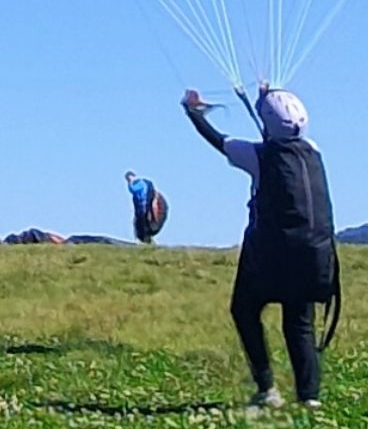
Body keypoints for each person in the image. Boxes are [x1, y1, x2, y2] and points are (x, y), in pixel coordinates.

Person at [184, 86, 337, 411]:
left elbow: (218, 139)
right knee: (299, 322)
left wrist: (192, 112)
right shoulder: (313, 150)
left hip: (271, 254)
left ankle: (267, 388)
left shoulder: (255, 156)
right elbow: (278, 135)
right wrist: (268, 97)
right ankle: (309, 397)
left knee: (244, 309)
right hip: (312, 254)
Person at [127, 170, 168, 244]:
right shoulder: (137, 186)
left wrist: (130, 183)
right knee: (140, 224)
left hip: (145, 207)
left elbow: (134, 190)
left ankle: (147, 238)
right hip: (140, 209)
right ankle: (142, 239)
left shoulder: (140, 184)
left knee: (145, 223)